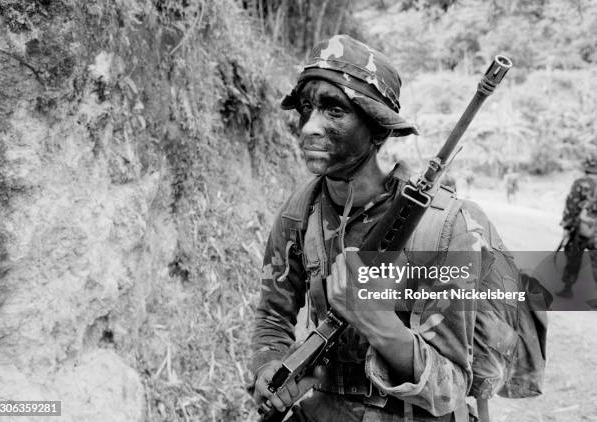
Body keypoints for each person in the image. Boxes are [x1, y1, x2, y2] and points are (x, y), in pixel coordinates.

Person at [249, 35, 518, 421]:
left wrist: (377, 321)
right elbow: (273, 315)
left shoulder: (442, 227)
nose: (309, 126)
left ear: (378, 128)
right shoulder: (299, 212)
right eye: (305, 109)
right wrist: (269, 364)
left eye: (334, 111)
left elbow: (451, 388)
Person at [557, 154, 597, 298]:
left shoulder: (581, 183)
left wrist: (567, 227)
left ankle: (568, 288)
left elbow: (571, 206)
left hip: (581, 229)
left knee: (574, 257)